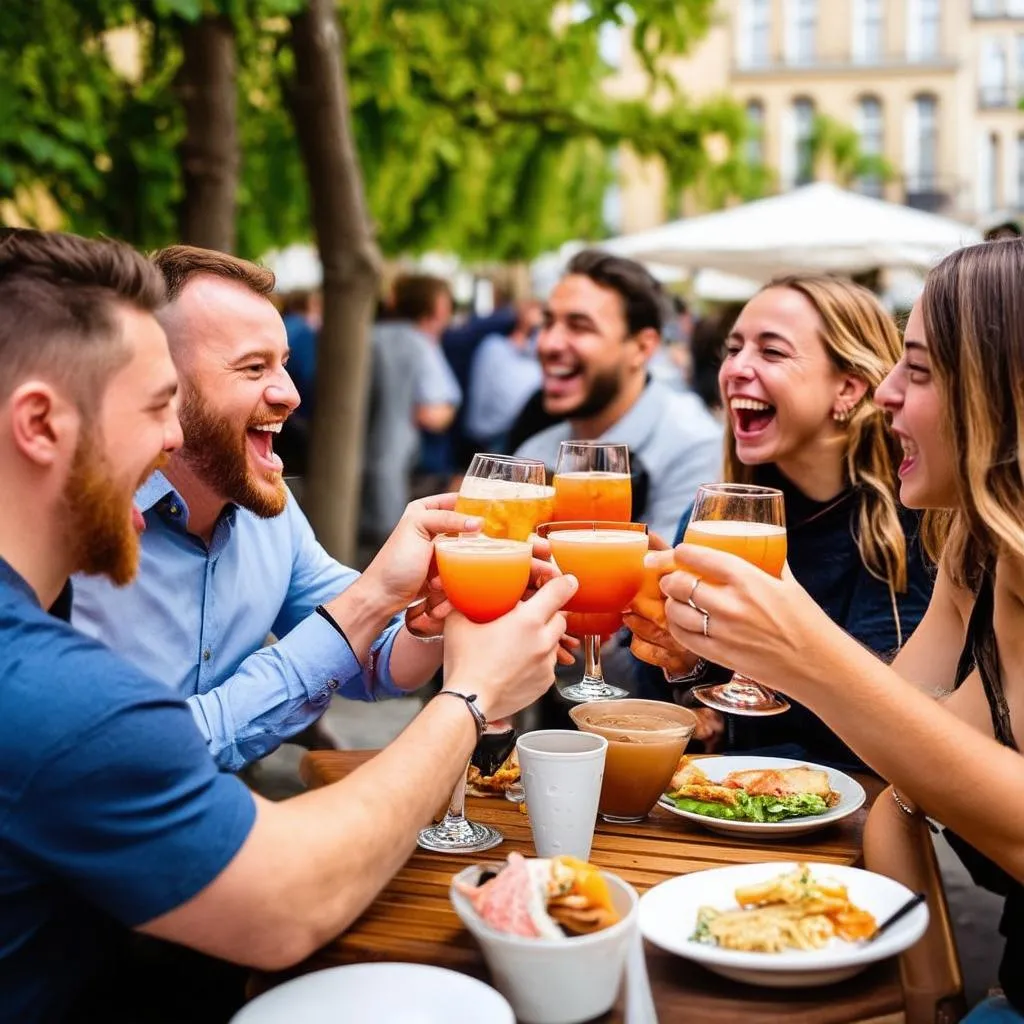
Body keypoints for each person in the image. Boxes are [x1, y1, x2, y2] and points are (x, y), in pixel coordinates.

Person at [0, 229, 578, 1023]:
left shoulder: (253, 513)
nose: (167, 439)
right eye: (153, 402)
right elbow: (284, 900)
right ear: (39, 425)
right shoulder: (45, 681)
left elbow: (366, 644)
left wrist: (430, 614)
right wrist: (471, 696)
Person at [651, 239, 1024, 1021]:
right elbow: (904, 778)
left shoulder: (909, 531)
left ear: (1004, 393)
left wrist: (801, 651)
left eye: (917, 371)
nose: (888, 393)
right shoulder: (972, 551)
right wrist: (927, 996)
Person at [71, 248, 453, 771]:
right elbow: (132, 762)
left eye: (284, 365)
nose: (291, 394)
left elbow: (371, 662)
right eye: (254, 367)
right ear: (160, 385)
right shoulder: (73, 524)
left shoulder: (268, 506)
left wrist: (431, 616)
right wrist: (371, 601)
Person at [626, 275, 934, 767]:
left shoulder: (910, 525)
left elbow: (897, 721)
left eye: (771, 353)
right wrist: (682, 662)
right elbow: (677, 711)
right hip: (745, 808)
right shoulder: (717, 519)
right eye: (733, 348)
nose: (735, 369)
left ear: (848, 387)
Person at [514, 250, 722, 541]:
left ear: (641, 348)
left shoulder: (695, 445)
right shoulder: (536, 452)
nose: (548, 343)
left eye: (579, 326)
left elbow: (672, 577)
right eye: (547, 323)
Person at [362, 273, 460, 540]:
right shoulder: (419, 345)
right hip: (404, 476)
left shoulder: (368, 336)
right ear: (437, 307)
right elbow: (432, 413)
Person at [463, 300, 543, 453]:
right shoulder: (494, 348)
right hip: (496, 433)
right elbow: (480, 395)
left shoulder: (539, 356)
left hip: (530, 431)